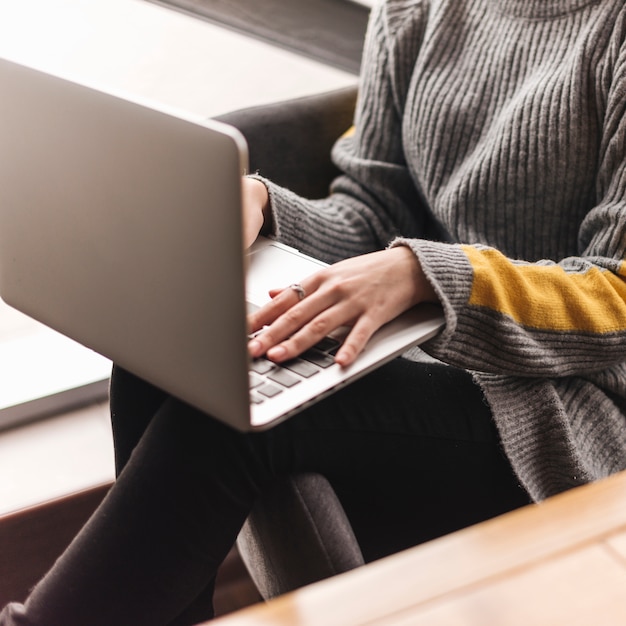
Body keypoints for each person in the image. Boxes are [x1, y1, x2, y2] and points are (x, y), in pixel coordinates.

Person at [3, 0, 626, 623]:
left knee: (230, 422)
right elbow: (374, 209)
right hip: (416, 352)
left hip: (572, 405)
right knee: (168, 354)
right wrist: (263, 208)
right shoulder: (417, 9)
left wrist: (426, 275)